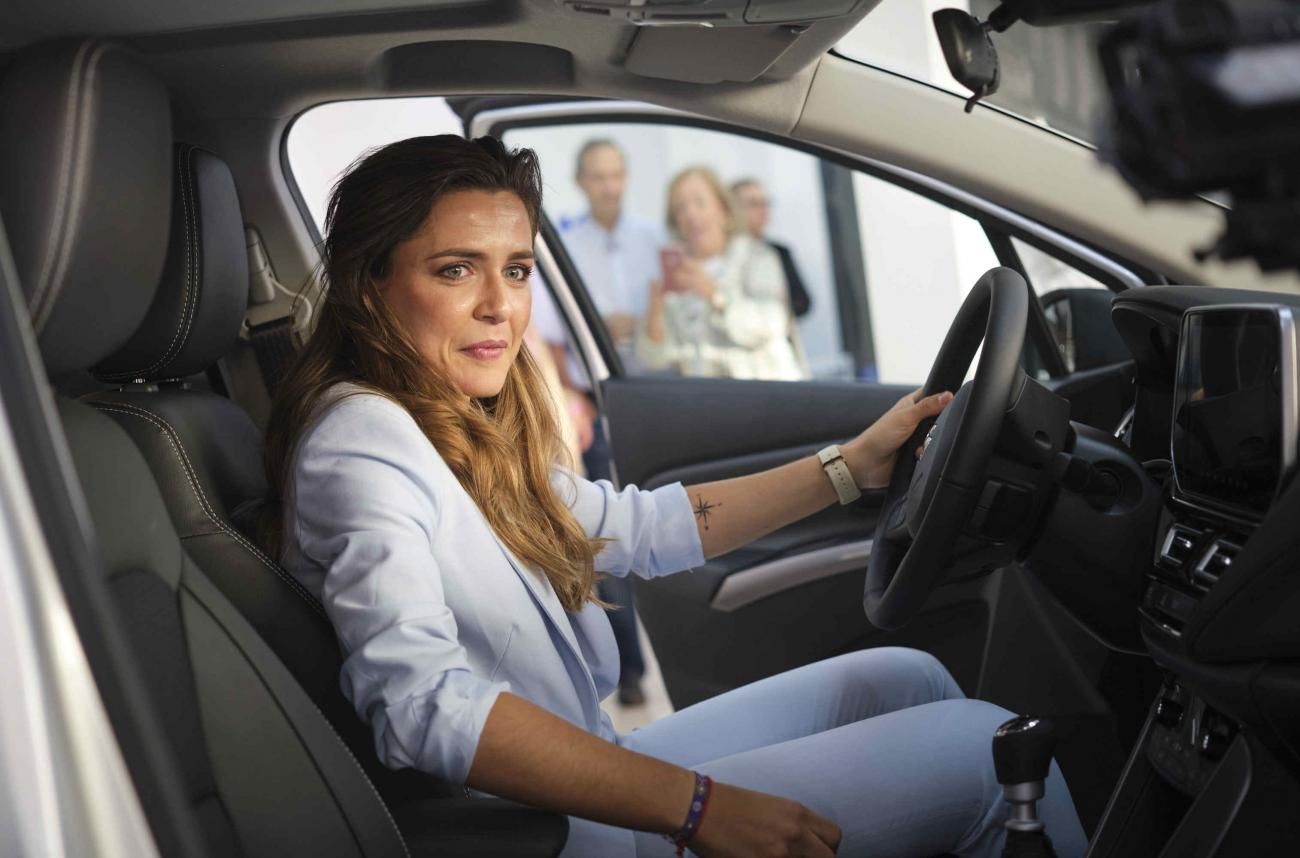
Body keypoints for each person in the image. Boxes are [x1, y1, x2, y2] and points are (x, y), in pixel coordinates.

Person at [263, 135, 1086, 858]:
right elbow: (421, 705)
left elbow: (639, 528)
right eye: (455, 270)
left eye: (515, 270)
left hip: (586, 770)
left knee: (904, 678)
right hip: (545, 831)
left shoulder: (452, 425)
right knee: (994, 756)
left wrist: (849, 467)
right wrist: (699, 811)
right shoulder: (361, 441)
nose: (500, 307)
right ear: (370, 286)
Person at [555, 137, 663, 703]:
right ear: (581, 181)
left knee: (663, 522)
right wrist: (571, 403)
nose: (609, 185)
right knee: (608, 539)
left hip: (652, 399)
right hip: (594, 406)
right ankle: (631, 672)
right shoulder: (565, 246)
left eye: (617, 174)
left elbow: (671, 321)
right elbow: (548, 339)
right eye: (598, 176)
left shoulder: (651, 239)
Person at [640, 167, 808, 381]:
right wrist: (655, 313)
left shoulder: (757, 257)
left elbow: (773, 323)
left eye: (700, 203)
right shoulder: (676, 275)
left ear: (723, 210)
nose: (690, 214)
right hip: (709, 404)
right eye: (680, 208)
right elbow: (656, 359)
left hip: (765, 397)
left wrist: (715, 295)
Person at [731, 177, 813, 319]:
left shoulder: (778, 252)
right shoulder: (727, 254)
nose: (763, 209)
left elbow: (802, 303)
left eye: (765, 203)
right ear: (733, 209)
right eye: (753, 204)